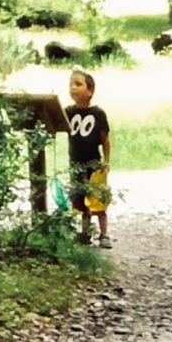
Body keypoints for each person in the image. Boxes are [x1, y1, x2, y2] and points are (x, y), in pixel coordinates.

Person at [64, 69, 111, 246]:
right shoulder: (68, 112)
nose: (73, 88)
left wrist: (106, 161)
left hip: (93, 163)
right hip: (75, 163)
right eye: (71, 84)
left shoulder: (98, 113)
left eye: (78, 84)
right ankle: (84, 232)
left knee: (97, 199)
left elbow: (105, 139)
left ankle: (104, 234)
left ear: (90, 90)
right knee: (80, 199)